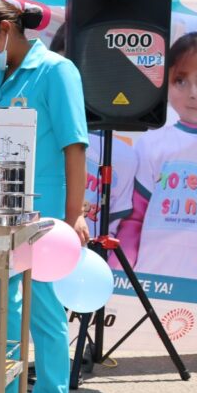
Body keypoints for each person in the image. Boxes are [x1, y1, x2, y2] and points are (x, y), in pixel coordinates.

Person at [0, 0, 88, 393]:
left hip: (45, 213)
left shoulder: (56, 71)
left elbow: (75, 145)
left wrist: (76, 215)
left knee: (45, 307)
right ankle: (9, 388)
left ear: (3, 29)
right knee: (0, 299)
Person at [118, 31, 197, 281]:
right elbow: (134, 218)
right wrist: (121, 276)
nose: (195, 93)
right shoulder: (152, 144)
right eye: (180, 81)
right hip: (153, 282)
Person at [49, 23, 137, 239]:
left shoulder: (123, 153)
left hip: (88, 252)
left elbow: (123, 223)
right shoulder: (41, 132)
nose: (70, 82)